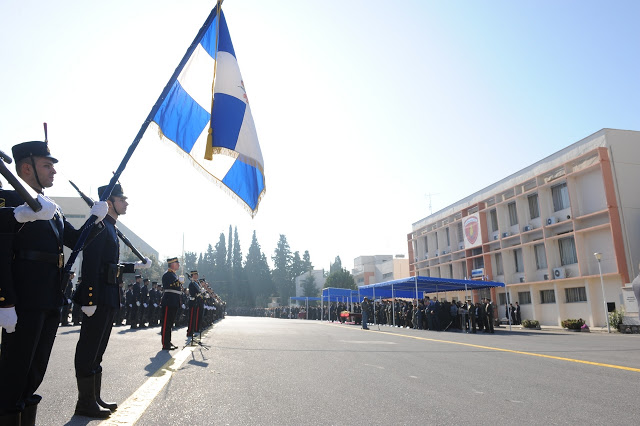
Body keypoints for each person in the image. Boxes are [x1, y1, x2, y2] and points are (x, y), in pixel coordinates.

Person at [0, 140, 108, 425]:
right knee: (14, 371)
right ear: (26, 168)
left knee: (35, 371)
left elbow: (75, 241)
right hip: (23, 299)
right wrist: (5, 300)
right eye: (47, 165)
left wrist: (95, 221)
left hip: (49, 297)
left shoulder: (54, 208)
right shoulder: (8, 200)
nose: (53, 172)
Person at [72, 183, 151, 418]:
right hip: (98, 298)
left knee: (98, 350)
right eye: (121, 199)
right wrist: (88, 298)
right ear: (109, 203)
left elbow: (111, 266)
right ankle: (84, 402)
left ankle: (94, 397)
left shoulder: (111, 227)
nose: (126, 203)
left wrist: (134, 266)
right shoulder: (100, 226)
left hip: (109, 297)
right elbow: (91, 264)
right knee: (89, 349)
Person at [160, 257, 183, 350]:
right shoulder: (167, 274)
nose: (178, 264)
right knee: (166, 323)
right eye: (177, 263)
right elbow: (168, 286)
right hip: (168, 301)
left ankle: (168, 341)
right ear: (172, 264)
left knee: (170, 324)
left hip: (174, 301)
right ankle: (165, 344)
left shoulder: (173, 275)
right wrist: (178, 281)